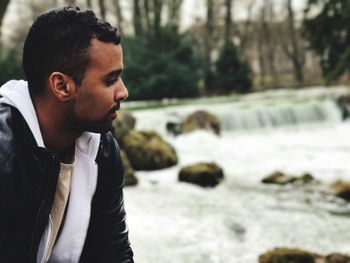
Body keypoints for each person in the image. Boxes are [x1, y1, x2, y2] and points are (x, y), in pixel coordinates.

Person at [0, 6, 134, 263]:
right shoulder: (5, 156)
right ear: (61, 86)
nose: (123, 92)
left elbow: (112, 252)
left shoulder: (102, 149)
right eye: (110, 80)